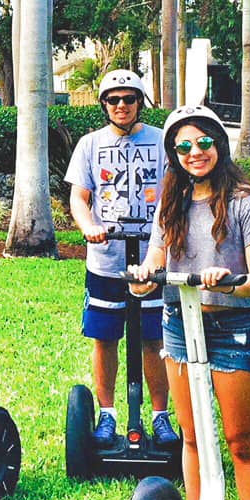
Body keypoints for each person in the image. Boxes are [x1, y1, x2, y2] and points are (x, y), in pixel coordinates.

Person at [130, 105, 250, 500]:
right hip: (179, 324)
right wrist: (141, 280)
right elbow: (155, 260)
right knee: (192, 438)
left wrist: (228, 282)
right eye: (184, 146)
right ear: (173, 154)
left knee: (240, 440)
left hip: (234, 327)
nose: (196, 153)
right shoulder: (169, 202)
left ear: (219, 143)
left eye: (203, 142)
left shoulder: (244, 201)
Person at [66, 69, 175, 447]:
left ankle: (161, 416)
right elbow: (79, 197)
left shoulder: (163, 142)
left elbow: (171, 196)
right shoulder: (90, 145)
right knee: (105, 336)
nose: (122, 105)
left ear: (140, 102)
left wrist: (162, 234)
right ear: (104, 105)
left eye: (129, 99)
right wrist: (88, 225)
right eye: (114, 100)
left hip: (153, 259)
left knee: (153, 338)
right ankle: (108, 414)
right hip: (106, 258)